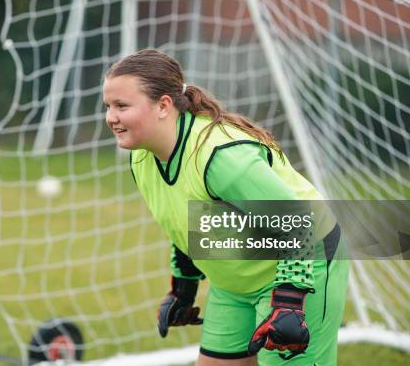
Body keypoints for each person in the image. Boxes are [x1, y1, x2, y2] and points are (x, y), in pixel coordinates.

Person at [102, 49, 349, 366]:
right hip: (234, 282)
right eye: (108, 106)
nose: (111, 117)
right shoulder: (143, 156)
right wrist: (184, 286)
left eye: (122, 106)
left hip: (302, 270)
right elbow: (186, 221)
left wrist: (289, 302)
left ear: (163, 105)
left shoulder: (219, 156)